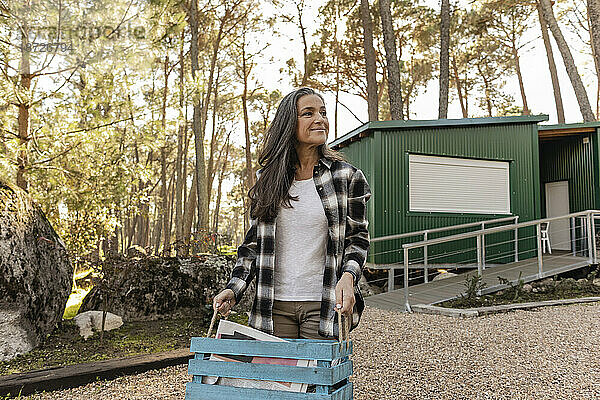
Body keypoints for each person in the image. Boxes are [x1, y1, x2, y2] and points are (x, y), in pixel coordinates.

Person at [212, 87, 372, 339]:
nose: (320, 119)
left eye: (323, 112)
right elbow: (253, 245)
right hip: (273, 305)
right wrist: (234, 290)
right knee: (277, 378)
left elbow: (357, 240)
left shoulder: (346, 177)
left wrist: (349, 277)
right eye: (308, 113)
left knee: (317, 378)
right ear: (289, 123)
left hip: (324, 304)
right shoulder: (267, 180)